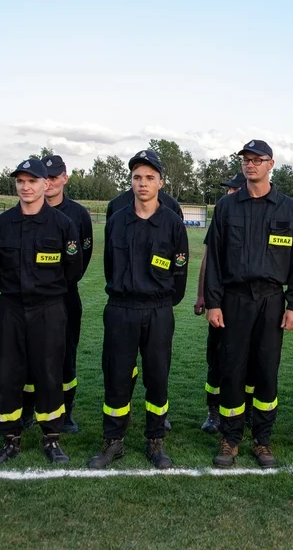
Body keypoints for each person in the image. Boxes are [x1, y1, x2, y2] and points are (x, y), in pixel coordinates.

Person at [204, 139, 293, 468]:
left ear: (271, 164)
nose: (250, 165)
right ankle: (230, 438)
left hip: (271, 300)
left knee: (266, 371)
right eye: (246, 160)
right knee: (231, 370)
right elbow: (215, 261)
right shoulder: (227, 207)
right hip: (234, 299)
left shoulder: (287, 208)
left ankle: (262, 440)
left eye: (257, 160)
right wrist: (213, 302)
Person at [87, 150, 188, 470]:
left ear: (160, 182)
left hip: (158, 310)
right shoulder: (117, 221)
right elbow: (109, 268)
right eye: (136, 177)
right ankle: (113, 441)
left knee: (157, 378)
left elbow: (179, 272)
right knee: (116, 378)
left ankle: (155, 440)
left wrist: (162, 304)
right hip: (121, 308)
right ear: (130, 181)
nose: (142, 183)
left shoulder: (173, 223)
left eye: (149, 177)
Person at [0, 158, 82, 465]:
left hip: (49, 308)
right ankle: (9, 438)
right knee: (8, 372)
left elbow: (72, 269)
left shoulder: (62, 224)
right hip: (12, 308)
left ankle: (51, 438)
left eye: (32, 181)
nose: (26, 187)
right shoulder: (1, 224)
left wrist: (45, 293)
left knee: (49, 371)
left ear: (46, 184)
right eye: (20, 182)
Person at [41, 154, 93, 434]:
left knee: (66, 354)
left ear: (65, 178)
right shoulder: (26, 209)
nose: (48, 182)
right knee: (30, 353)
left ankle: (66, 411)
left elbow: (84, 255)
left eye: (54, 176)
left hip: (65, 296)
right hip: (33, 300)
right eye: (44, 177)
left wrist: (65, 282)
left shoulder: (79, 213)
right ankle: (28, 409)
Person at [194, 172, 248, 434]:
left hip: (247, 302)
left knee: (247, 359)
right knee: (217, 357)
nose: (230, 193)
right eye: (228, 189)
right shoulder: (223, 214)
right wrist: (202, 294)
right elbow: (208, 258)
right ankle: (213, 411)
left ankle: (244, 410)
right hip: (220, 298)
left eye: (234, 189)